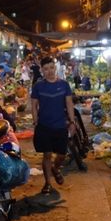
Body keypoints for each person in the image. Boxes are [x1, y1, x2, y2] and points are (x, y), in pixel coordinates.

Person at [31, 56, 77, 194]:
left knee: (61, 155)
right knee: (47, 154)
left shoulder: (64, 85)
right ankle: (47, 183)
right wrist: (35, 121)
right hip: (44, 126)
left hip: (60, 125)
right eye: (46, 69)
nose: (49, 71)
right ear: (42, 71)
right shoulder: (38, 86)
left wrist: (72, 121)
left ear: (55, 68)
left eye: (51, 68)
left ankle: (55, 168)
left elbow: (69, 103)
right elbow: (34, 105)